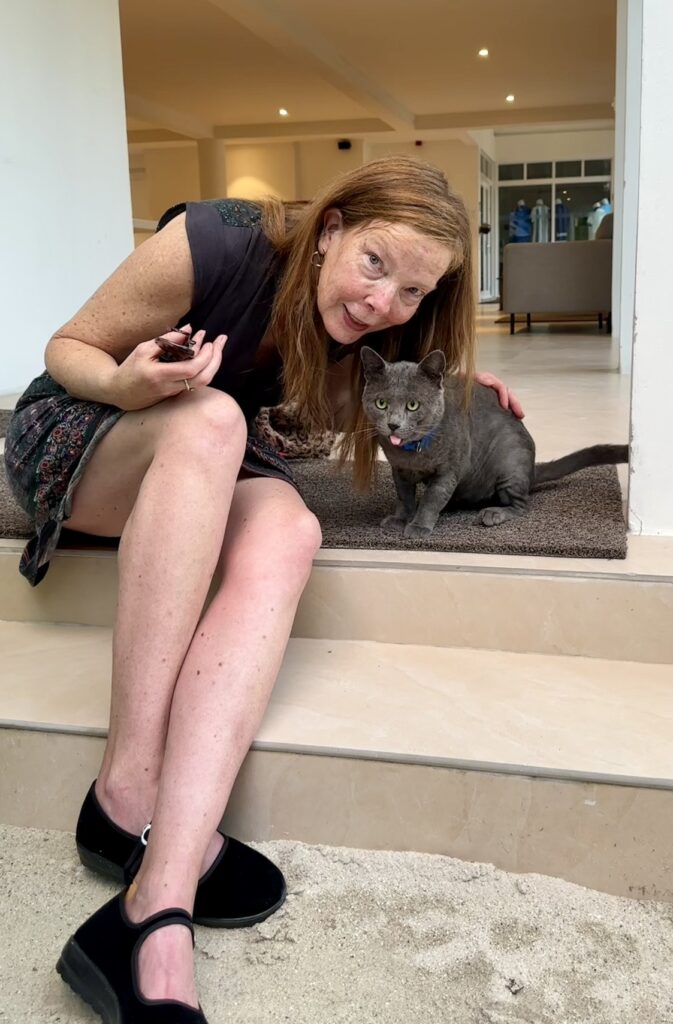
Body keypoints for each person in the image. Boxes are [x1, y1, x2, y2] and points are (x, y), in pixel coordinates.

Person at [4, 155, 523, 1023]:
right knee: (209, 420)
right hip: (87, 429)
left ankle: (154, 898)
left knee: (292, 529)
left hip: (209, 444)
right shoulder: (216, 242)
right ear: (329, 231)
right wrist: (131, 383)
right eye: (373, 265)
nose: (382, 304)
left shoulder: (385, 328)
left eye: (411, 292)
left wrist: (471, 396)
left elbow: (406, 389)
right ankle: (124, 790)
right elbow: (66, 351)